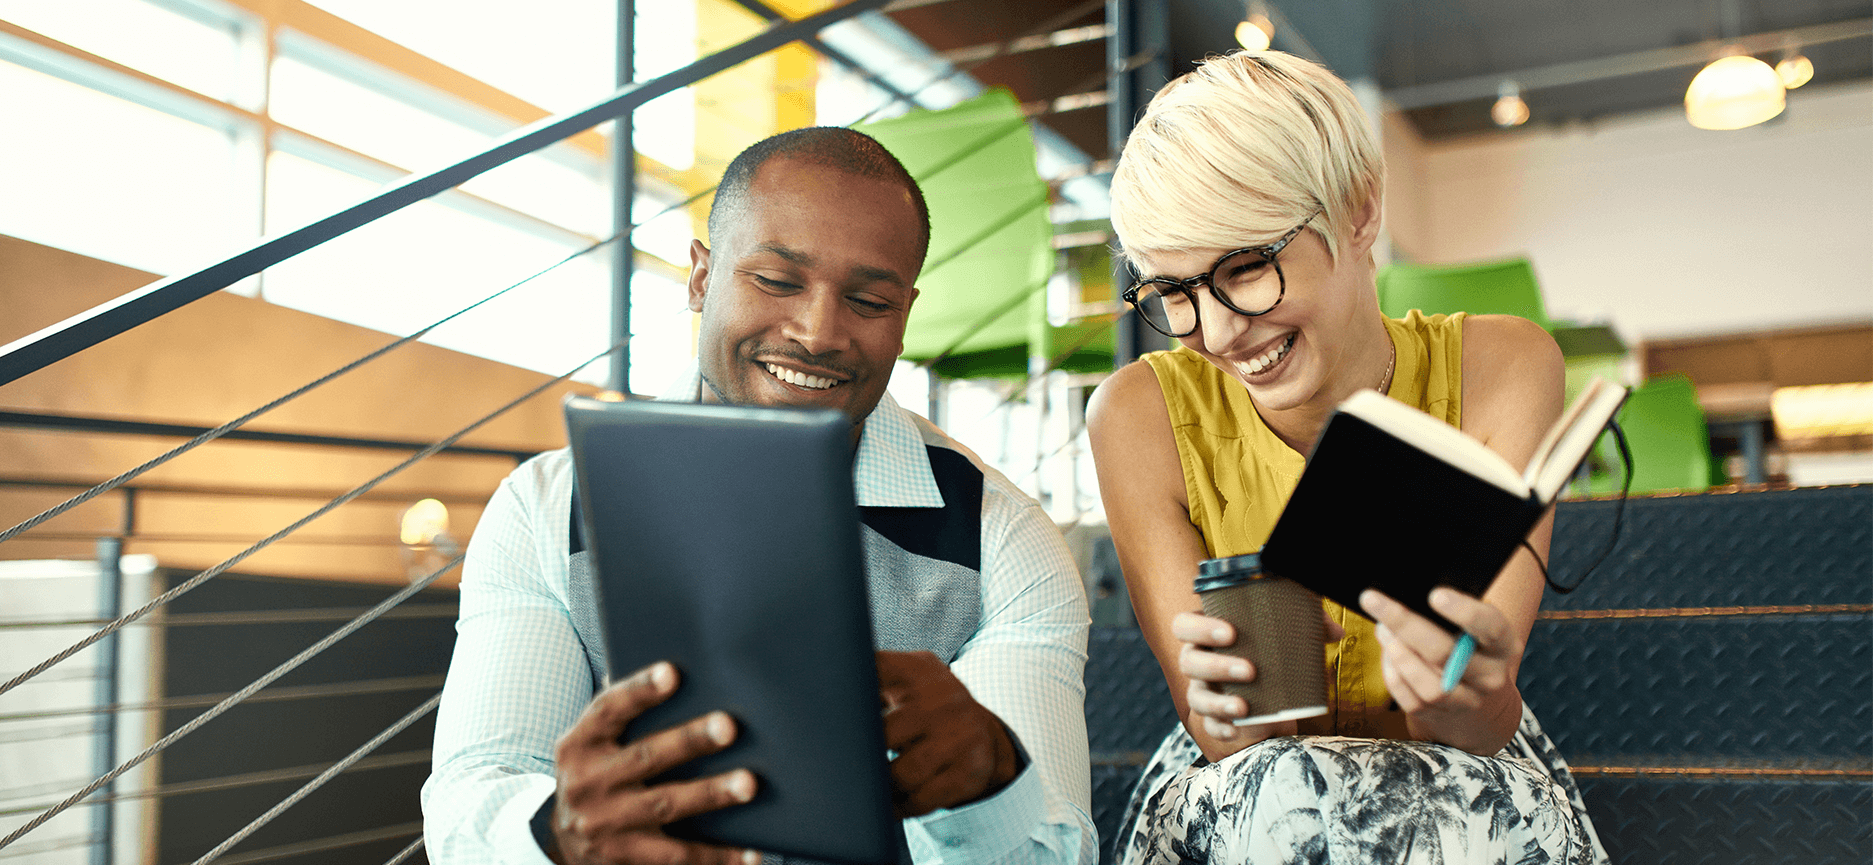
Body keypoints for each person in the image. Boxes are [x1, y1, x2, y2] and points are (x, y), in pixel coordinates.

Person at [423, 127, 1096, 865]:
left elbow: (1053, 851)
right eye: (776, 282)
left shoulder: (1000, 536)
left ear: (905, 316)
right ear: (701, 278)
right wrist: (555, 830)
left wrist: (989, 779)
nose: (817, 332)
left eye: (869, 300)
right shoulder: (547, 507)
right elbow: (470, 802)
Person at [1084, 51, 1609, 863]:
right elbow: (1230, 743)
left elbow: (1474, 724)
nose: (1218, 335)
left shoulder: (1503, 368)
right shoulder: (1137, 413)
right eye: (1174, 293)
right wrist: (1235, 700)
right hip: (1252, 783)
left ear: (1361, 210)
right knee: (1285, 795)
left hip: (1457, 766)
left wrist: (1465, 688)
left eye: (1246, 268)